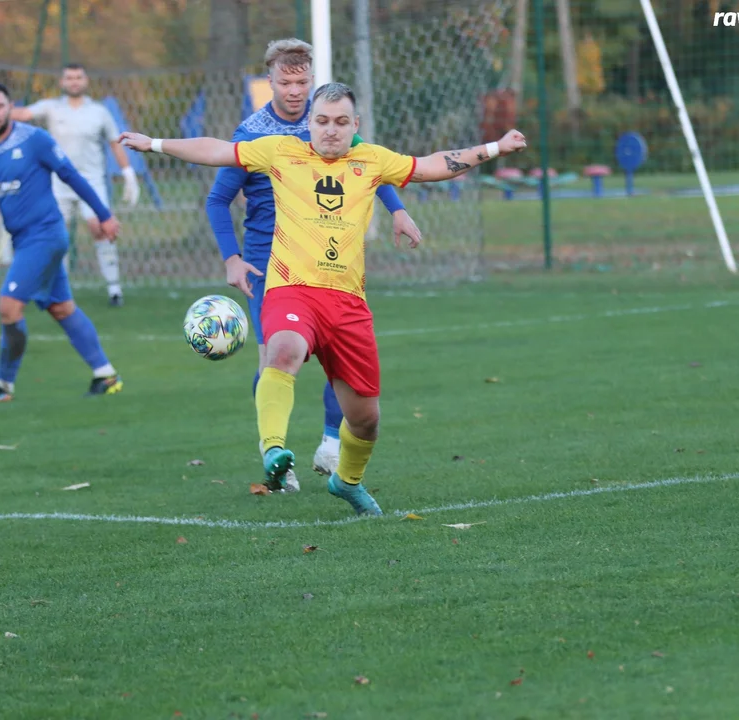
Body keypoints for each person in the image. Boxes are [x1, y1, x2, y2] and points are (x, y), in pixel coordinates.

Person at [122, 82, 527, 516]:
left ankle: (347, 482)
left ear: (355, 125)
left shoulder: (371, 159)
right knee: (282, 351)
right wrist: (156, 144)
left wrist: (495, 148)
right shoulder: (279, 150)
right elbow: (217, 149)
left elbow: (432, 166)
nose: (330, 131)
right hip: (290, 288)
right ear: (309, 123)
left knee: (366, 419)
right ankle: (274, 450)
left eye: (339, 122)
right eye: (321, 121)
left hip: (349, 305)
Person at [205, 39, 423, 491]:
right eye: (286, 82)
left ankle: (329, 441)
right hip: (270, 260)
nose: (295, 91)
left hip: (324, 251)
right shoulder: (253, 133)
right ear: (270, 83)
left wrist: (398, 209)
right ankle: (275, 457)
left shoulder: (324, 120)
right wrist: (233, 259)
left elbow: (367, 165)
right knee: (275, 358)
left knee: (336, 354)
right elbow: (218, 199)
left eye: (303, 81)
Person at [0, 82, 124, 403]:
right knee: (61, 307)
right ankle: (105, 374)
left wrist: (104, 215)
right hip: (23, 239)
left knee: (8, 306)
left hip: (46, 235)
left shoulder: (35, 140)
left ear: (11, 107)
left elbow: (71, 176)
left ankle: (3, 385)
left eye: (0, 106)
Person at [10, 63, 139, 307]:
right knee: (55, 234)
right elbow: (24, 114)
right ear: (62, 82)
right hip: (57, 184)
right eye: (69, 78)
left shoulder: (98, 111)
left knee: (100, 229)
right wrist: (2, 110)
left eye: (78, 77)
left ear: (85, 80)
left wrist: (128, 172)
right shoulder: (51, 107)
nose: (74, 81)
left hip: (91, 182)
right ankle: (59, 289)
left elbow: (115, 142)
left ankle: (114, 289)